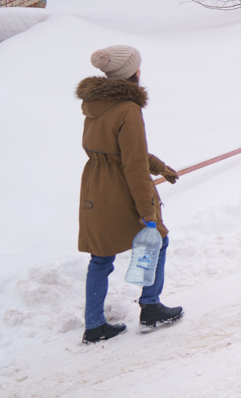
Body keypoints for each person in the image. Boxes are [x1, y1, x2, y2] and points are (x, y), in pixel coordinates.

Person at [76, 45, 183, 344]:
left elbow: (116, 149)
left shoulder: (94, 104)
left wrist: (160, 166)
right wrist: (147, 210)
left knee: (101, 257)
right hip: (121, 186)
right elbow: (132, 163)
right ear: (134, 73)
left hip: (95, 186)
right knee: (158, 240)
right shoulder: (128, 109)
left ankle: (94, 325)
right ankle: (150, 307)